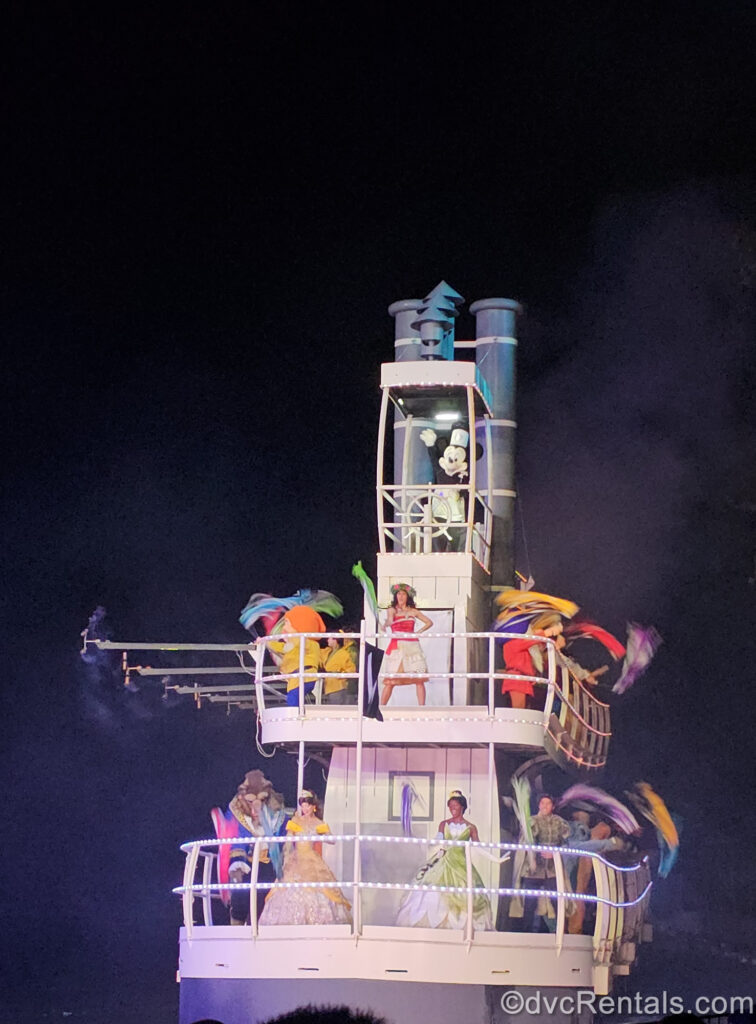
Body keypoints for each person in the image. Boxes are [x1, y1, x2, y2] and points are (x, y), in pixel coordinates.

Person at [395, 790, 493, 930]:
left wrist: (495, 858)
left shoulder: (471, 827)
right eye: (450, 806)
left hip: (461, 865)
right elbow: (437, 841)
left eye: (455, 805)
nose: (452, 809)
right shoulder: (444, 824)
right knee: (431, 891)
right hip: (444, 860)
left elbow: (478, 847)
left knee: (468, 892)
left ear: (462, 807)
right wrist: (423, 843)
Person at [259, 791, 352, 926]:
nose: (305, 809)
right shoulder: (296, 821)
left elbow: (332, 840)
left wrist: (321, 836)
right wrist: (286, 854)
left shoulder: (318, 823)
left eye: (307, 806)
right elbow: (288, 841)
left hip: (312, 859)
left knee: (319, 887)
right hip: (296, 858)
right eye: (303, 806)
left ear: (313, 806)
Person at [210, 769, 288, 925]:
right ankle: (236, 929)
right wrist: (237, 865)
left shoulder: (278, 816)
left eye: (261, 799)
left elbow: (285, 839)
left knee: (263, 898)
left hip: (268, 864)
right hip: (245, 863)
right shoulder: (237, 814)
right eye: (251, 800)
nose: (256, 806)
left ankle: (258, 929)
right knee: (240, 898)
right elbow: (235, 838)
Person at [518, 793, 570, 932]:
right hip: (534, 869)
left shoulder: (559, 822)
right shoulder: (531, 821)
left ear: (552, 806)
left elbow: (566, 843)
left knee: (557, 901)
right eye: (542, 803)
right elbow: (525, 842)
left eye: (548, 803)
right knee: (529, 903)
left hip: (552, 870)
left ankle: (562, 931)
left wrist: (555, 853)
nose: (545, 806)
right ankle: (526, 932)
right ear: (539, 805)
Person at [379, 583, 433, 706]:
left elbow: (429, 622)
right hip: (397, 645)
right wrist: (386, 624)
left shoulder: (413, 611)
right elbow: (390, 619)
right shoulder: (392, 610)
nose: (401, 596)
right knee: (391, 680)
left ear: (408, 596)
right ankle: (382, 707)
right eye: (399, 594)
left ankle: (422, 708)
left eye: (403, 594)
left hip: (413, 646)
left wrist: (418, 632)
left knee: (419, 679)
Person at [500, 613, 564, 710]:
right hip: (517, 680)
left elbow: (536, 646)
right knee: (518, 712)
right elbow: (531, 640)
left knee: (523, 712)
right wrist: (548, 632)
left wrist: (554, 642)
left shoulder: (520, 644)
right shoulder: (512, 643)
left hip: (523, 680)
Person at [266, 606, 326, 707]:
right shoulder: (297, 644)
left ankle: (295, 719)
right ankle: (297, 717)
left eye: (286, 622)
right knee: (293, 699)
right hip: (297, 679)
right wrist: (266, 642)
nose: (284, 627)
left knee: (293, 700)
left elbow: (292, 644)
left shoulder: (309, 643)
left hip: (304, 678)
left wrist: (291, 632)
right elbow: (283, 647)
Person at [320, 628, 358, 705]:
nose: (327, 640)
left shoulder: (344, 654)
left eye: (329, 638)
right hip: (328, 686)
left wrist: (339, 674)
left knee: (336, 710)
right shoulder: (327, 651)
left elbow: (351, 669)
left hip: (338, 687)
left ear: (335, 639)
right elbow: (319, 656)